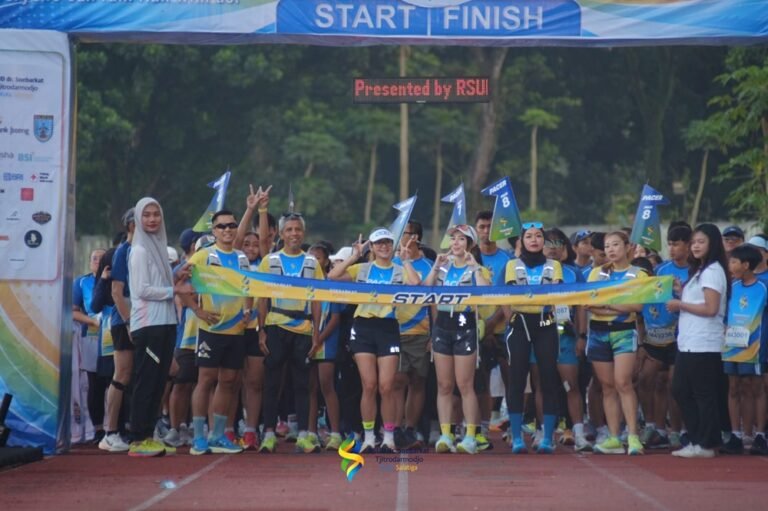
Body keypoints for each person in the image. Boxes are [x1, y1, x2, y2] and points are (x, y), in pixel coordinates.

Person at [329, 227, 420, 453]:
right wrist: (354, 255)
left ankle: (387, 437)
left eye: (388, 242)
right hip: (363, 327)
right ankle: (369, 437)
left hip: (387, 327)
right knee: (368, 385)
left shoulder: (399, 270)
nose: (384, 246)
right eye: (379, 243)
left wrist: (406, 260)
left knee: (386, 386)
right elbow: (333, 276)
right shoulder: (363, 268)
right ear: (372, 246)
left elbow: (416, 284)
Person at [257, 197, 325, 454]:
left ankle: (306, 435)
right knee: (272, 383)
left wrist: (317, 332)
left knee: (303, 384)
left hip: (303, 330)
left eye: (298, 230)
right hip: (275, 326)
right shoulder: (270, 261)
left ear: (303, 233)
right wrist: (261, 330)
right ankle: (268, 433)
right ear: (282, 234)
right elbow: (262, 297)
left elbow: (318, 298)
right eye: (289, 230)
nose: (294, 234)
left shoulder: (312, 263)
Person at [182, 209, 252, 455]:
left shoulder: (242, 258)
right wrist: (196, 310)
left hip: (235, 330)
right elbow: (179, 282)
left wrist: (248, 310)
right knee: (206, 379)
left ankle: (218, 435)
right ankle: (199, 437)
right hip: (211, 329)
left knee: (229, 381)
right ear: (213, 231)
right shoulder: (203, 256)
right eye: (222, 226)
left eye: (232, 225)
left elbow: (248, 288)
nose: (228, 230)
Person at [422, 225, 489, 454]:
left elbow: (486, 293)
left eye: (462, 239)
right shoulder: (443, 268)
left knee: (465, 384)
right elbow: (423, 290)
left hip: (465, 325)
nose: (456, 243)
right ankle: (446, 434)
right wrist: (435, 266)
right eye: (453, 239)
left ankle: (470, 435)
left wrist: (475, 268)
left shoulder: (475, 269)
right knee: (444, 384)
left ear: (470, 244)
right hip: (442, 325)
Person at [500, 222, 563, 454]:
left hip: (546, 322)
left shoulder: (554, 265)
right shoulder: (511, 265)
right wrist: (511, 319)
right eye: (529, 236)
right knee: (517, 379)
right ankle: (517, 438)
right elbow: (505, 295)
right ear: (522, 241)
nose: (534, 240)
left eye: (538, 236)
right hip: (520, 323)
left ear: (543, 241)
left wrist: (558, 319)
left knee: (547, 379)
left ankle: (547, 437)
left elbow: (557, 294)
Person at [667, 223, 729, 459]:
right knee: (681, 390)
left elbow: (711, 308)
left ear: (712, 244)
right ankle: (697, 439)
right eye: (693, 242)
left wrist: (680, 304)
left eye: (700, 242)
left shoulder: (713, 271)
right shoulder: (699, 271)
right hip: (689, 341)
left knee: (702, 394)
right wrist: (680, 293)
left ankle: (707, 442)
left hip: (704, 343)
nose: (695, 246)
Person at [126, 198, 180, 457]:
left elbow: (159, 282)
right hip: (149, 325)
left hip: (167, 322)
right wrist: (174, 289)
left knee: (159, 383)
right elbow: (141, 290)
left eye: (156, 214)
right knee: (146, 381)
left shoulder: (158, 247)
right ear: (138, 219)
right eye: (146, 215)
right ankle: (138, 438)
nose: (151, 219)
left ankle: (149, 434)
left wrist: (177, 276)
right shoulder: (139, 251)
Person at [586, 231, 647, 456]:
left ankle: (632, 436)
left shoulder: (638, 275)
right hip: (598, 332)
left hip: (624, 332)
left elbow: (637, 306)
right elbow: (589, 304)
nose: (611, 250)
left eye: (615, 245)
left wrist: (607, 304)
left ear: (627, 246)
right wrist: (619, 303)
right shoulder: (595, 274)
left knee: (623, 382)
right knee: (607, 386)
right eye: (607, 246)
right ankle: (613, 437)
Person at [637, 224, 691, 450]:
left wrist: (682, 293)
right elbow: (646, 304)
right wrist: (643, 338)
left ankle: (676, 431)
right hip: (657, 337)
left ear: (688, 246)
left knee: (674, 384)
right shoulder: (660, 270)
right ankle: (653, 426)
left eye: (676, 244)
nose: (671, 248)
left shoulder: (696, 271)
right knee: (645, 380)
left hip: (682, 338)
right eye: (669, 244)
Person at [543, 228, 590, 451]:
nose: (553, 247)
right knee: (543, 387)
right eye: (548, 242)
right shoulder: (532, 271)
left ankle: (578, 433)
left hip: (566, 337)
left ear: (565, 247)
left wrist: (581, 336)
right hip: (540, 334)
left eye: (558, 242)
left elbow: (581, 307)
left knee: (572, 386)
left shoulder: (574, 273)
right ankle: (545, 434)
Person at [392, 221, 434, 450]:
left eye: (405, 234)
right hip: (395, 330)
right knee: (397, 382)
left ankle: (411, 429)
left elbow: (434, 302)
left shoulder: (428, 265)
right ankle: (395, 429)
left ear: (416, 237)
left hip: (421, 331)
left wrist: (433, 334)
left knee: (418, 382)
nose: (401, 238)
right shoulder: (391, 264)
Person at [722, 244, 767, 454]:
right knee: (733, 388)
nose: (729, 264)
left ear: (746, 265)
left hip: (755, 348)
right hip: (731, 346)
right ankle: (736, 435)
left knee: (755, 388)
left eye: (733, 261)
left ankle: (758, 435)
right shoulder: (731, 287)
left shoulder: (763, 287)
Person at [98, 208, 135, 453]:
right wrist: (129, 321)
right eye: (145, 218)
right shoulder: (122, 252)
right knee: (121, 376)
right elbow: (116, 292)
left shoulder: (147, 251)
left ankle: (137, 427)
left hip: (146, 319)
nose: (151, 222)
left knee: (141, 375)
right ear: (131, 225)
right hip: (125, 322)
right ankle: (109, 432)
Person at [474, 211, 511, 449]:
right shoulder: (470, 258)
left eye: (490, 227)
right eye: (482, 227)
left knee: (512, 379)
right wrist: (481, 324)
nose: (486, 231)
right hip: (476, 329)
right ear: (476, 229)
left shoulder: (507, 260)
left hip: (503, 328)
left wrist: (493, 321)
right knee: (480, 382)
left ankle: (514, 426)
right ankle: (482, 427)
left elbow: (508, 294)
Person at [308, 243, 344, 451]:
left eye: (318, 259)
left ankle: (335, 433)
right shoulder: (303, 284)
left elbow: (336, 316)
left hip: (326, 341)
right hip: (307, 339)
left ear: (326, 261)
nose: (314, 263)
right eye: (310, 259)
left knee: (326, 385)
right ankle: (311, 432)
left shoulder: (331, 283)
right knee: (310, 386)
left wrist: (319, 338)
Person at [73, 248, 107, 443]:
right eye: (94, 259)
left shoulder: (114, 281)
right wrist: (92, 321)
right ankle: (98, 428)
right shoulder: (81, 282)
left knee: (114, 382)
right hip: (91, 337)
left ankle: (117, 426)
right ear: (89, 262)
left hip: (113, 335)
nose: (97, 262)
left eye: (102, 259)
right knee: (95, 384)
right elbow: (73, 311)